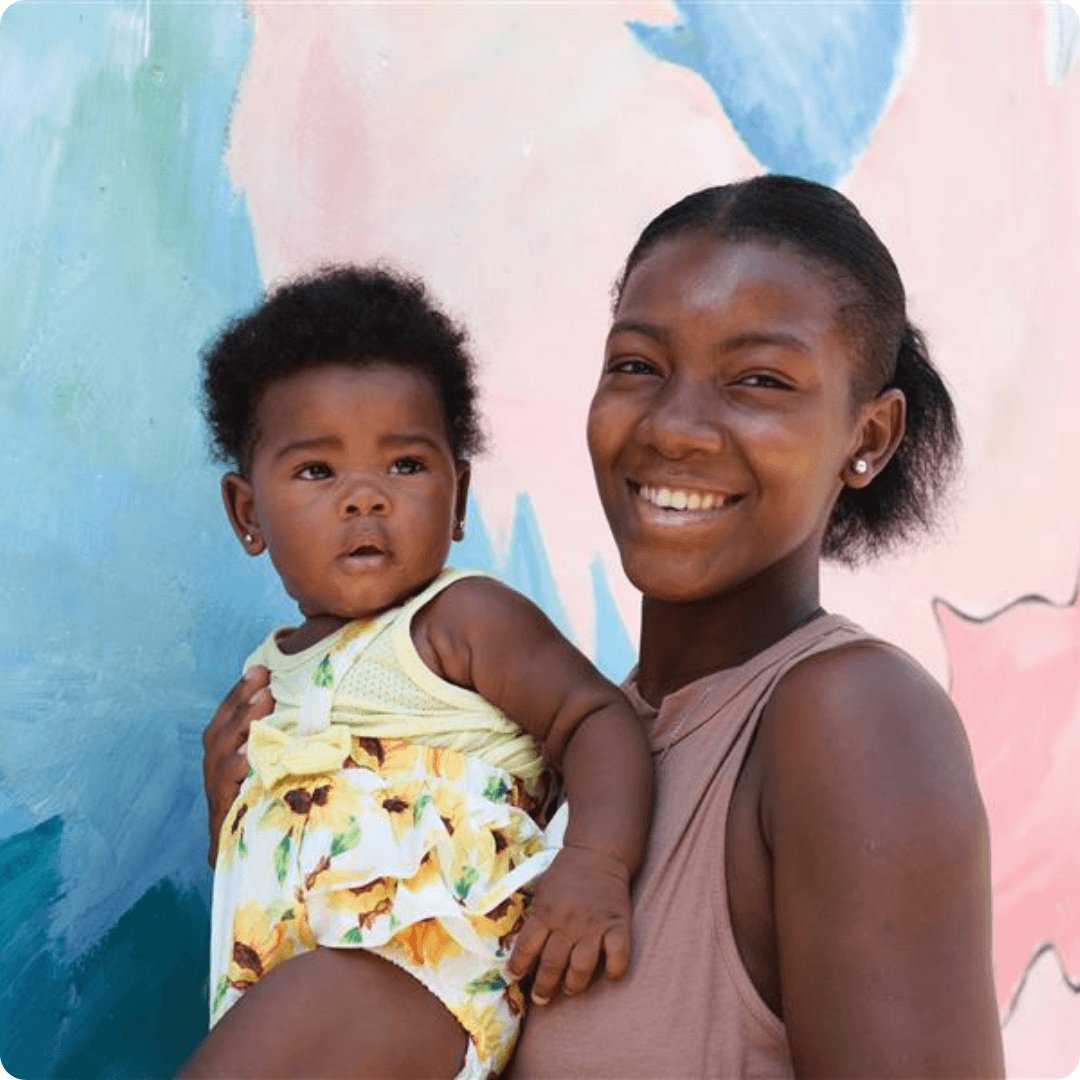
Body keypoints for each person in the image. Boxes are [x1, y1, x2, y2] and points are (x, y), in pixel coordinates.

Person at [202, 176, 1005, 1077]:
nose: (675, 426)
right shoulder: (532, 761)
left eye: (760, 380)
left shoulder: (852, 719)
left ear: (870, 437)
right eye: (637, 365)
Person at [183, 266, 652, 1080]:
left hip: (421, 970)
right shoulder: (267, 674)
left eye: (404, 465)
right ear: (247, 514)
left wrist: (598, 866)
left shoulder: (459, 619)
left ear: (458, 493)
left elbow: (595, 719)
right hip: (300, 987)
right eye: (317, 472)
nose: (365, 498)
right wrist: (222, 813)